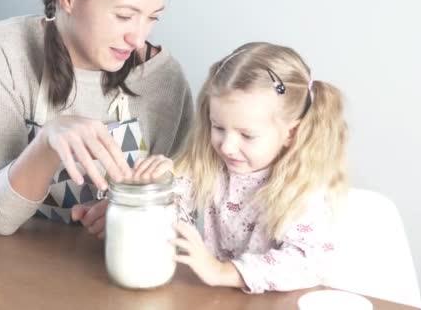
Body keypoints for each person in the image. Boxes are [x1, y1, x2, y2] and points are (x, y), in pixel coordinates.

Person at [0, 0, 193, 238]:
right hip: (20, 265)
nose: (138, 38)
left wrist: (136, 210)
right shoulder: (4, 50)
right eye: (124, 16)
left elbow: (186, 206)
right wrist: (46, 142)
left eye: (152, 18)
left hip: (117, 265)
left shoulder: (162, 78)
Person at [144, 42, 348, 292]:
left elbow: (309, 262)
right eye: (218, 127)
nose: (227, 146)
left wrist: (221, 271)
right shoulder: (211, 163)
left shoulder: (303, 187)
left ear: (291, 133)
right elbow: (174, 213)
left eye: (247, 135)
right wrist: (157, 188)